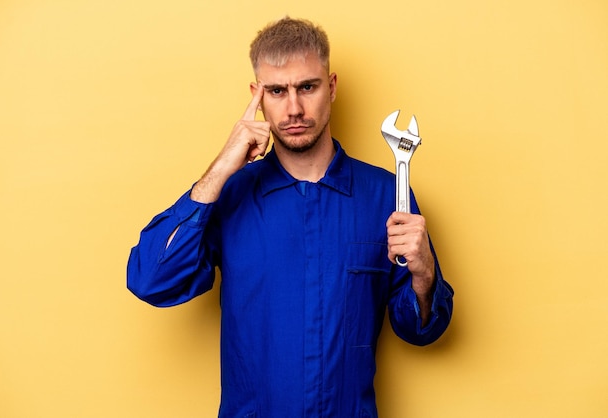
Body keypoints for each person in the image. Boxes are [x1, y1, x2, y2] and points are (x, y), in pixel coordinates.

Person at [127, 16, 453, 418]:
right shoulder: (228, 195)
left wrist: (425, 275)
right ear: (256, 96)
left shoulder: (386, 194)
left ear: (331, 88)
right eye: (277, 91)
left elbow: (421, 329)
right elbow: (150, 279)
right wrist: (221, 168)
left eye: (307, 87)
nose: (294, 108)